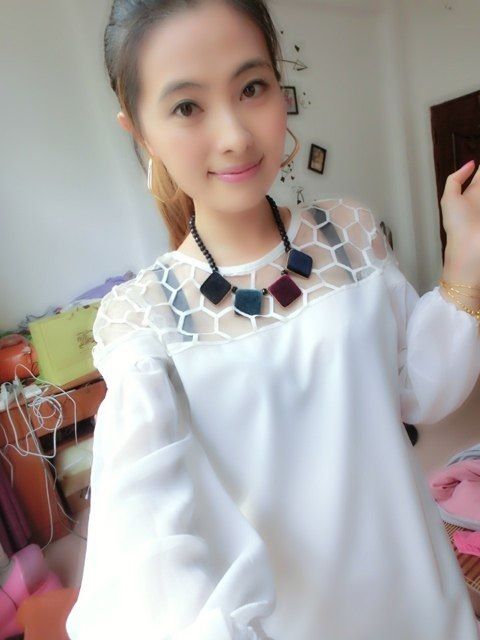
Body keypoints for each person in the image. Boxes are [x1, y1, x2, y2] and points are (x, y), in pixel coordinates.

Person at [65, 1, 480, 638]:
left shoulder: (349, 234)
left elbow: (418, 392)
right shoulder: (144, 319)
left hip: (422, 592)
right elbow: (148, 559)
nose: (234, 133)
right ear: (139, 131)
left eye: (251, 88)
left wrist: (466, 261)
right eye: (187, 106)